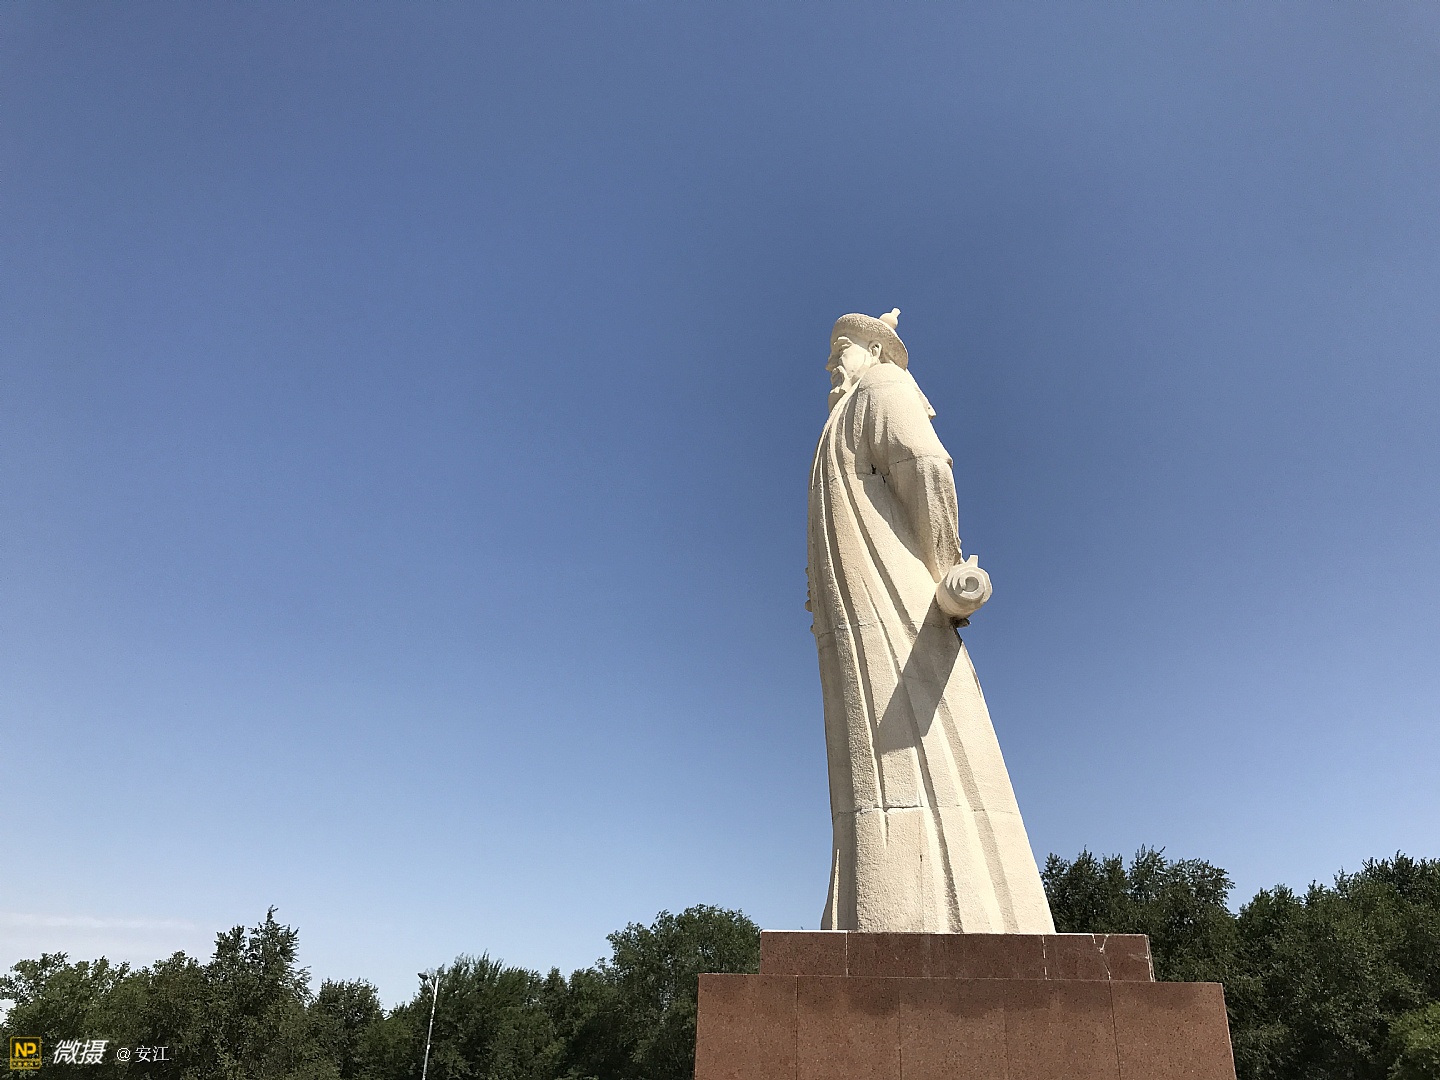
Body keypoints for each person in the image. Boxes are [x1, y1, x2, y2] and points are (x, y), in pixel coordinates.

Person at [805, 309, 1055, 933]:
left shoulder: (884, 387)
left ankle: (958, 908)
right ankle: (875, 903)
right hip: (857, 603)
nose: (832, 361)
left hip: (894, 595)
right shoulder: (845, 412)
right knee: (870, 748)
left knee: (918, 739)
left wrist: (945, 567)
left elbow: (925, 462)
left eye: (842, 346)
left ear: (874, 348)